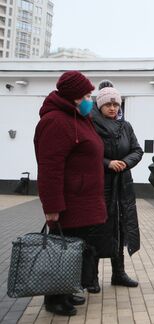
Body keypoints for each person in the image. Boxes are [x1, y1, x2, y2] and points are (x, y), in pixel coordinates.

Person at [34, 71, 107, 316]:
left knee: (73, 249)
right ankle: (54, 299)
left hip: (83, 199)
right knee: (60, 250)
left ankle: (64, 290)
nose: (90, 99)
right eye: (86, 95)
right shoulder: (55, 121)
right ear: (74, 96)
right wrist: (52, 206)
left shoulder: (78, 118)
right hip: (68, 201)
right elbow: (50, 167)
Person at [89, 85, 143, 293]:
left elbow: (137, 150)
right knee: (98, 228)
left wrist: (124, 162)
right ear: (100, 105)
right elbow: (88, 153)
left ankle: (118, 273)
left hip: (122, 185)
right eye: (108, 104)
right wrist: (107, 163)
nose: (112, 108)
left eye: (115, 104)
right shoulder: (91, 125)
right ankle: (92, 277)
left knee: (120, 227)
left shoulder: (126, 126)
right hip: (101, 184)